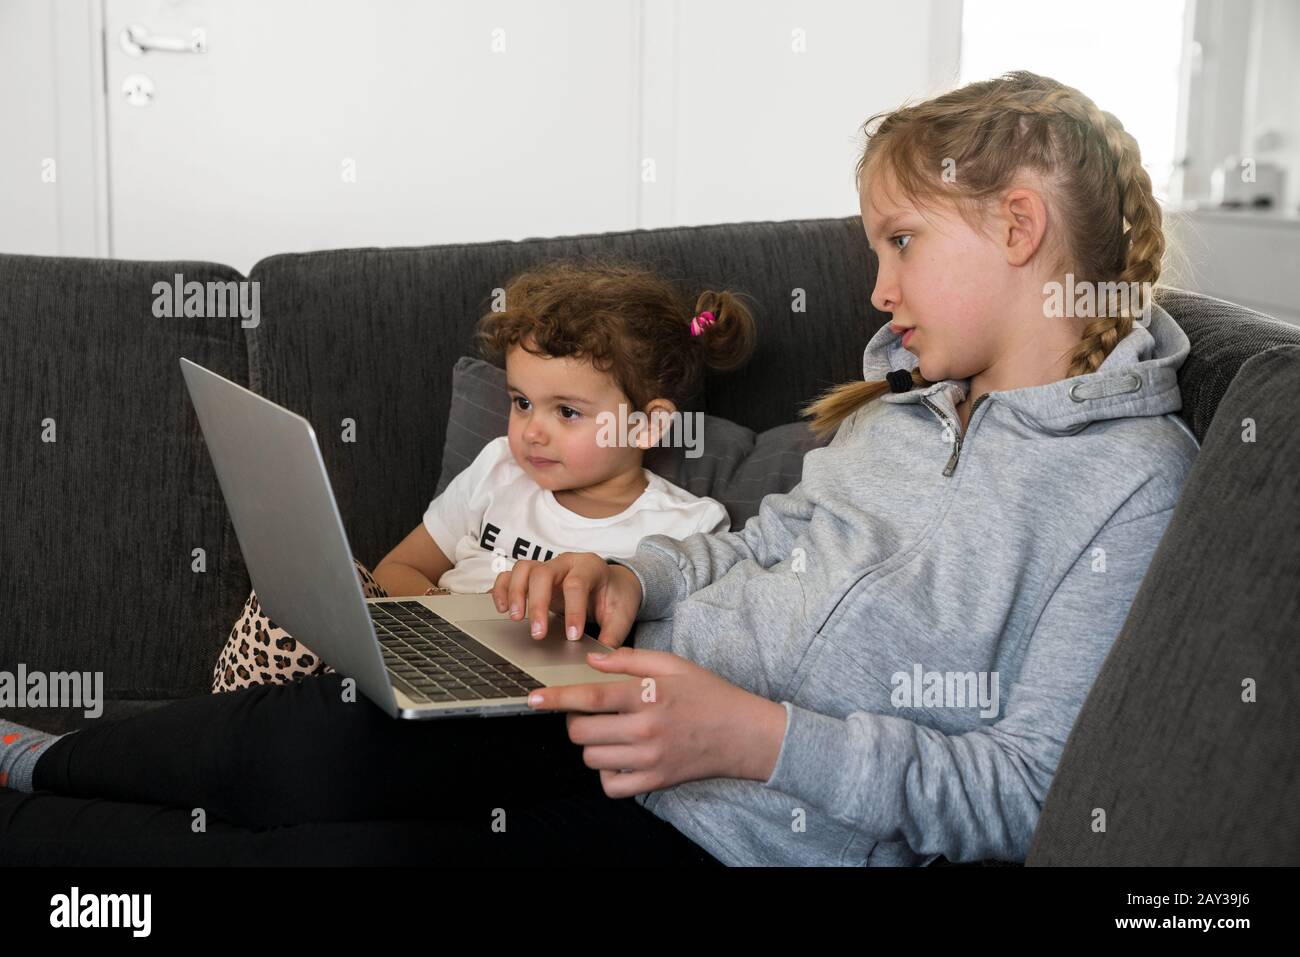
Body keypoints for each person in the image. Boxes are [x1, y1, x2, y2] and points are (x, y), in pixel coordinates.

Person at [0, 71, 1198, 867]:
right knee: (317, 735)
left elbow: (1035, 791)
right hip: (615, 699)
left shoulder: (1130, 484)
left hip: (740, 828)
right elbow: (755, 547)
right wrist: (640, 583)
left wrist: (754, 742)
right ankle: (39, 762)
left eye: (899, 242)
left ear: (1018, 227)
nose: (877, 289)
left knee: (319, 848)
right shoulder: (899, 416)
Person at [210, 259, 742, 692]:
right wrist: (450, 620)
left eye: (567, 412)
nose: (533, 431)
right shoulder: (498, 467)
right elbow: (399, 568)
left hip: (523, 693)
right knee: (314, 583)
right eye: (522, 402)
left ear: (647, 425)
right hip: (421, 647)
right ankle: (236, 718)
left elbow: (672, 661)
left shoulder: (688, 527)